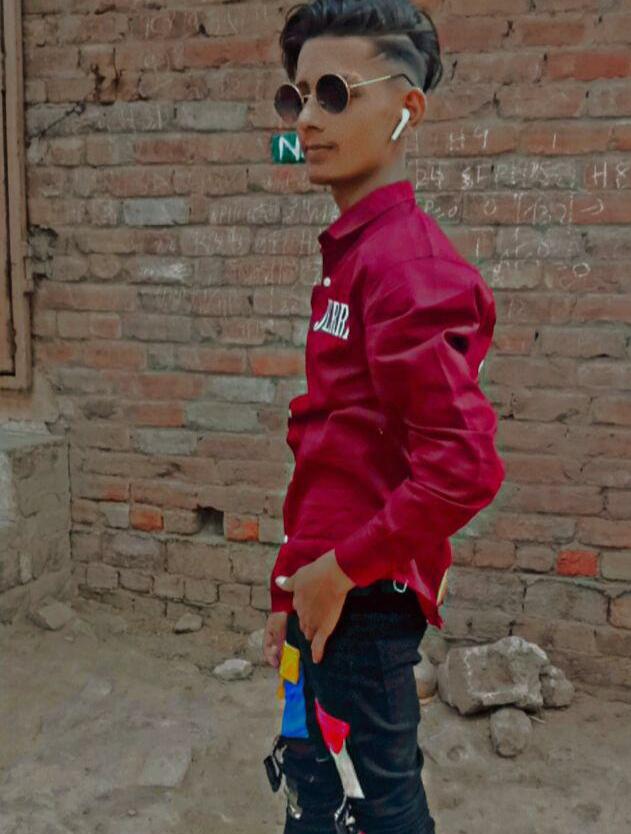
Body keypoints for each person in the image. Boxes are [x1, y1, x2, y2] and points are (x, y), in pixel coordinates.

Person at [262, 2, 506, 832]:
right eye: (297, 97)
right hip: (324, 587)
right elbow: (331, 445)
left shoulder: (407, 270)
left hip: (360, 601)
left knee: (376, 807)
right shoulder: (354, 255)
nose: (309, 120)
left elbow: (463, 468)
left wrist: (337, 572)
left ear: (406, 108)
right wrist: (290, 582)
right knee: (315, 787)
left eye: (335, 93)